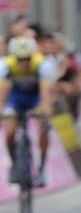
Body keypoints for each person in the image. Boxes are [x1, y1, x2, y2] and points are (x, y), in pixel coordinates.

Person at [3, 33, 57, 187]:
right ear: (14, 57)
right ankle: (14, 165)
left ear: (32, 56)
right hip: (16, 98)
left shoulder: (42, 64)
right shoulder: (5, 65)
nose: (23, 63)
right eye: (20, 59)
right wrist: (3, 112)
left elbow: (46, 91)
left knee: (44, 127)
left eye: (27, 59)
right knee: (9, 131)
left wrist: (45, 110)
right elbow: (2, 92)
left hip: (35, 97)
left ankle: (41, 168)